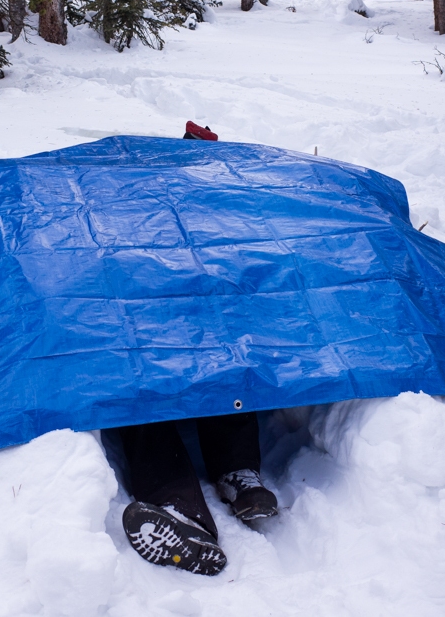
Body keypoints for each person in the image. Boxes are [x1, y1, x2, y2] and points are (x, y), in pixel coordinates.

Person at [116, 122, 279, 577]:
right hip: (147, 324)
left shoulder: (224, 208)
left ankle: (238, 474)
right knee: (138, 387)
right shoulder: (133, 196)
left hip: (204, 319)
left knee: (229, 364)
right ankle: (179, 508)